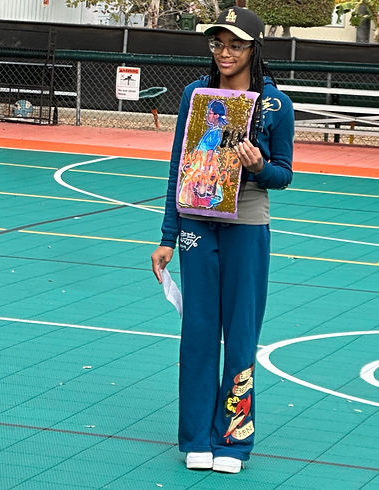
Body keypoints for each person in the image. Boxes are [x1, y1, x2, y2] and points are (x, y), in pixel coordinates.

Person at [150, 6, 294, 475]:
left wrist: (258, 167)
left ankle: (231, 441)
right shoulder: (195, 94)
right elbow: (178, 167)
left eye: (235, 44)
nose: (225, 52)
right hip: (196, 222)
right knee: (196, 335)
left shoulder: (275, 105)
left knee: (241, 335)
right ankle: (195, 436)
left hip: (247, 225)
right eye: (218, 43)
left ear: (255, 48)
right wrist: (168, 235)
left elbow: (284, 175)